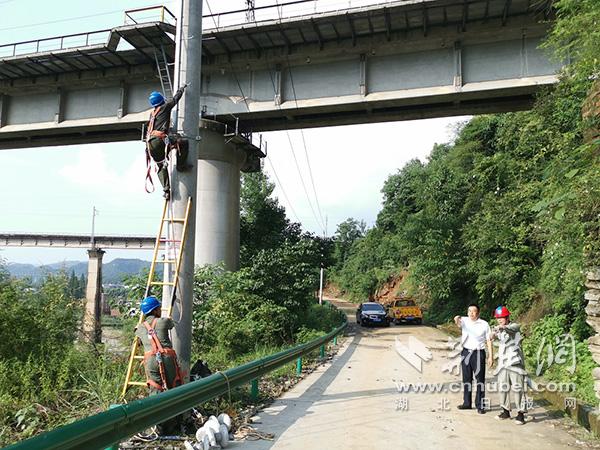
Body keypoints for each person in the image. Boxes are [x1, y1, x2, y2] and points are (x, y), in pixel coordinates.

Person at [135, 295, 183, 434]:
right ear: (155, 310)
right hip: (166, 357)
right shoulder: (163, 321)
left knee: (155, 389)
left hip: (150, 360)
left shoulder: (140, 328)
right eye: (159, 308)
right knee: (173, 388)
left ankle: (155, 426)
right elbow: (172, 324)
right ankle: (172, 424)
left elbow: (139, 337)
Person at [145, 86, 190, 200]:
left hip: (150, 144)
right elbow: (175, 99)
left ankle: (166, 191)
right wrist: (181, 89)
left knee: (161, 165)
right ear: (161, 100)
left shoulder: (152, 113)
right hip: (159, 140)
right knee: (182, 142)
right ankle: (181, 166)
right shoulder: (164, 107)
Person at [454, 303, 493, 414]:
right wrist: (456, 318)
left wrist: (491, 356)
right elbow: (457, 322)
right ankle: (467, 403)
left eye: (474, 311)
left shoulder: (484, 324)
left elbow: (489, 340)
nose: (471, 313)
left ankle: (480, 405)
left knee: (480, 379)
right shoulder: (464, 321)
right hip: (466, 352)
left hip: (478, 353)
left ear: (478, 313)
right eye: (469, 311)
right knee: (467, 379)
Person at [491, 305, 527, 425]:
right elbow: (494, 336)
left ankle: (521, 414)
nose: (499, 320)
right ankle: (505, 411)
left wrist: (501, 328)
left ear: (507, 317)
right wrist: (493, 334)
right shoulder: (499, 330)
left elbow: (510, 329)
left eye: (501, 317)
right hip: (503, 364)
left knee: (518, 388)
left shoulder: (514, 327)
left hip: (515, 363)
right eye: (498, 318)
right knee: (503, 387)